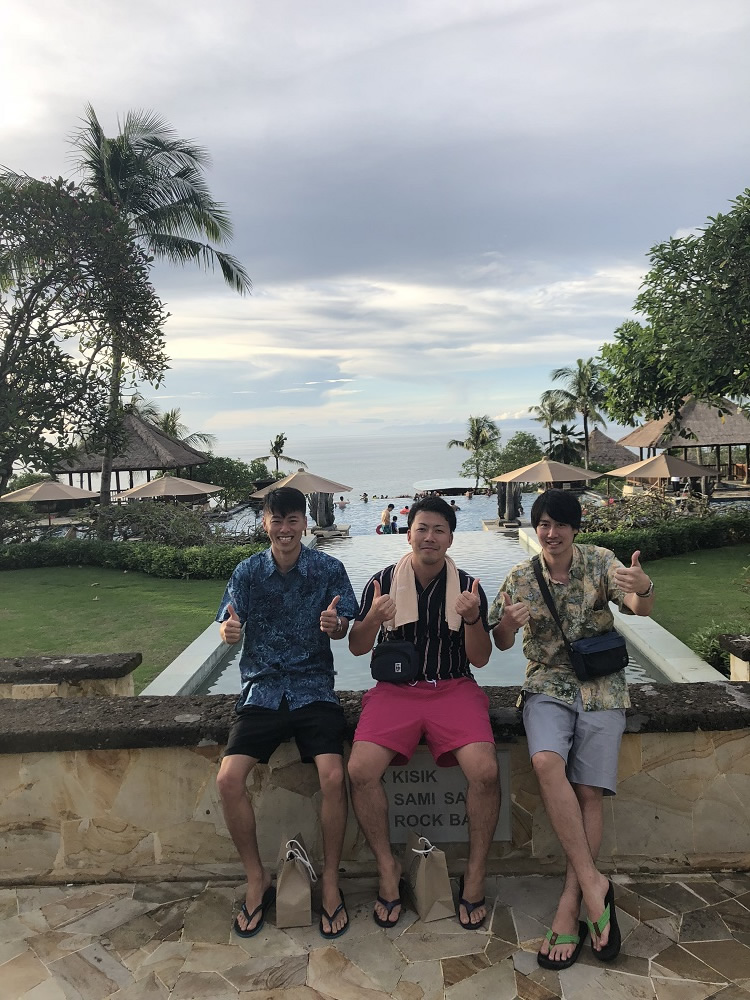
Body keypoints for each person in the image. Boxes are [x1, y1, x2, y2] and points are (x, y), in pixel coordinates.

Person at [489, 489, 655, 970]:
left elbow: (638, 606)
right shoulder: (521, 577)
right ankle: (594, 885)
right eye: (543, 523)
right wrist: (506, 624)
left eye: (560, 523)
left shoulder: (600, 561)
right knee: (546, 761)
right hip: (547, 683)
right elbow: (500, 642)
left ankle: (572, 900)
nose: (551, 532)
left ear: (575, 528)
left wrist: (643, 587)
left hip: (602, 684)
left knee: (587, 790)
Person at [347, 496, 499, 930]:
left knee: (485, 772)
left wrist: (473, 620)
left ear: (450, 538)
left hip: (453, 686)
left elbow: (481, 658)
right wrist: (372, 619)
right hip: (395, 691)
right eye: (422, 528)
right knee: (360, 770)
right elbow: (357, 647)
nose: (429, 537)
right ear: (408, 533)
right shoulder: (381, 582)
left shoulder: (468, 587)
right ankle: (388, 867)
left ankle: (475, 872)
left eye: (439, 530)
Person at [215, 487, 358, 940]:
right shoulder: (247, 572)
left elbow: (344, 625)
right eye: (276, 520)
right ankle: (256, 878)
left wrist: (337, 626)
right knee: (228, 780)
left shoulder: (328, 569)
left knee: (333, 776)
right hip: (262, 691)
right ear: (265, 524)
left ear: (304, 524)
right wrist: (229, 632)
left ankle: (330, 880)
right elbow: (228, 623)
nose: (285, 529)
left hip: (313, 688)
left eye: (293, 519)